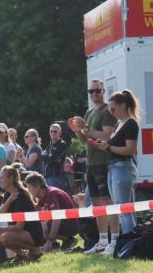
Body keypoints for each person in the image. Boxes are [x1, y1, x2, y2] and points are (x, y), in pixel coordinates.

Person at [71, 79, 118, 254]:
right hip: (91, 163)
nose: (94, 94)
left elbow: (106, 136)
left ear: (103, 91)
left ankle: (114, 240)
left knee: (109, 202)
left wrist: (85, 128)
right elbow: (85, 141)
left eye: (97, 91)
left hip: (103, 162)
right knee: (97, 203)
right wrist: (77, 130)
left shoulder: (108, 111)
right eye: (91, 91)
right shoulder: (89, 112)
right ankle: (102, 241)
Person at [90, 90, 140, 251]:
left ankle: (128, 243)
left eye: (113, 109)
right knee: (122, 208)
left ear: (124, 106)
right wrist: (104, 146)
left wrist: (108, 147)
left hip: (122, 168)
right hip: (114, 168)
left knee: (124, 209)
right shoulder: (119, 124)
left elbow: (130, 150)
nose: (111, 112)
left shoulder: (131, 123)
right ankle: (126, 242)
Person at [0, 166, 45, 262]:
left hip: (32, 233)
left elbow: (19, 226)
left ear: (11, 178)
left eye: (2, 178)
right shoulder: (9, 194)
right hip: (18, 232)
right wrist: (9, 200)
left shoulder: (21, 196)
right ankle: (22, 254)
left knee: (4, 237)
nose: (0, 181)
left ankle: (35, 250)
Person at [24, 172, 79, 253]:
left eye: (29, 188)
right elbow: (38, 211)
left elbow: (57, 218)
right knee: (37, 225)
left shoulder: (51, 194)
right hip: (65, 223)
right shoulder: (43, 195)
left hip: (72, 224)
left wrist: (50, 240)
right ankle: (55, 245)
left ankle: (68, 240)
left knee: (41, 227)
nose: (28, 191)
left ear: (38, 186)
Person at [43, 123, 71, 192]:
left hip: (56, 176)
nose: (53, 133)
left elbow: (51, 159)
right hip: (48, 175)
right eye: (51, 131)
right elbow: (44, 157)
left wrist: (47, 156)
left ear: (60, 133)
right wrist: (48, 157)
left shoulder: (62, 144)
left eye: (55, 131)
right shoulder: (50, 144)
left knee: (55, 197)